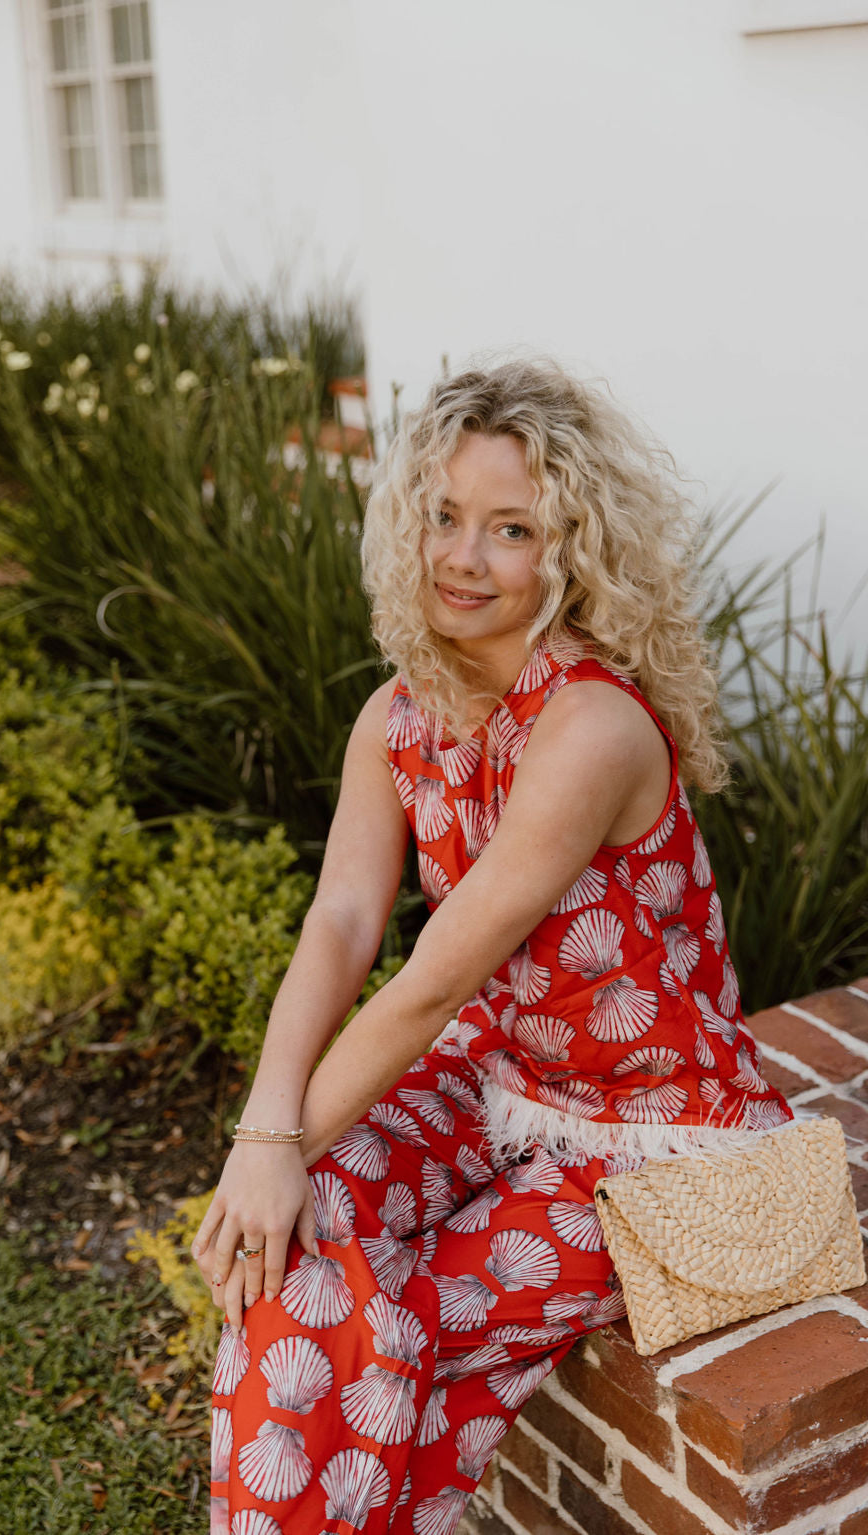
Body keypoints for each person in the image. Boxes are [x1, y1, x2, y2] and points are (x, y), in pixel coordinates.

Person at [192, 358, 792, 1535]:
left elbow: (432, 975)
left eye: (509, 528)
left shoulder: (592, 728)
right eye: (444, 515)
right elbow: (342, 924)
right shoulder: (396, 713)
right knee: (303, 1251)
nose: (463, 556)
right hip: (499, 1076)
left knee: (363, 1319)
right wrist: (265, 1140)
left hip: (654, 1135)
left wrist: (273, 1141)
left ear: (572, 549)